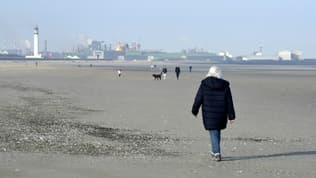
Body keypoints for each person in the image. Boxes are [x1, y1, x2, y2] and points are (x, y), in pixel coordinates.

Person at [191, 66, 235, 162]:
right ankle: (214, 151)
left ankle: (216, 153)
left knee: (213, 131)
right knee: (216, 131)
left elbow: (198, 98)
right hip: (221, 113)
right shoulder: (225, 85)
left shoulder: (204, 84)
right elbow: (229, 101)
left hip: (209, 113)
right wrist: (231, 116)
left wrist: (195, 110)